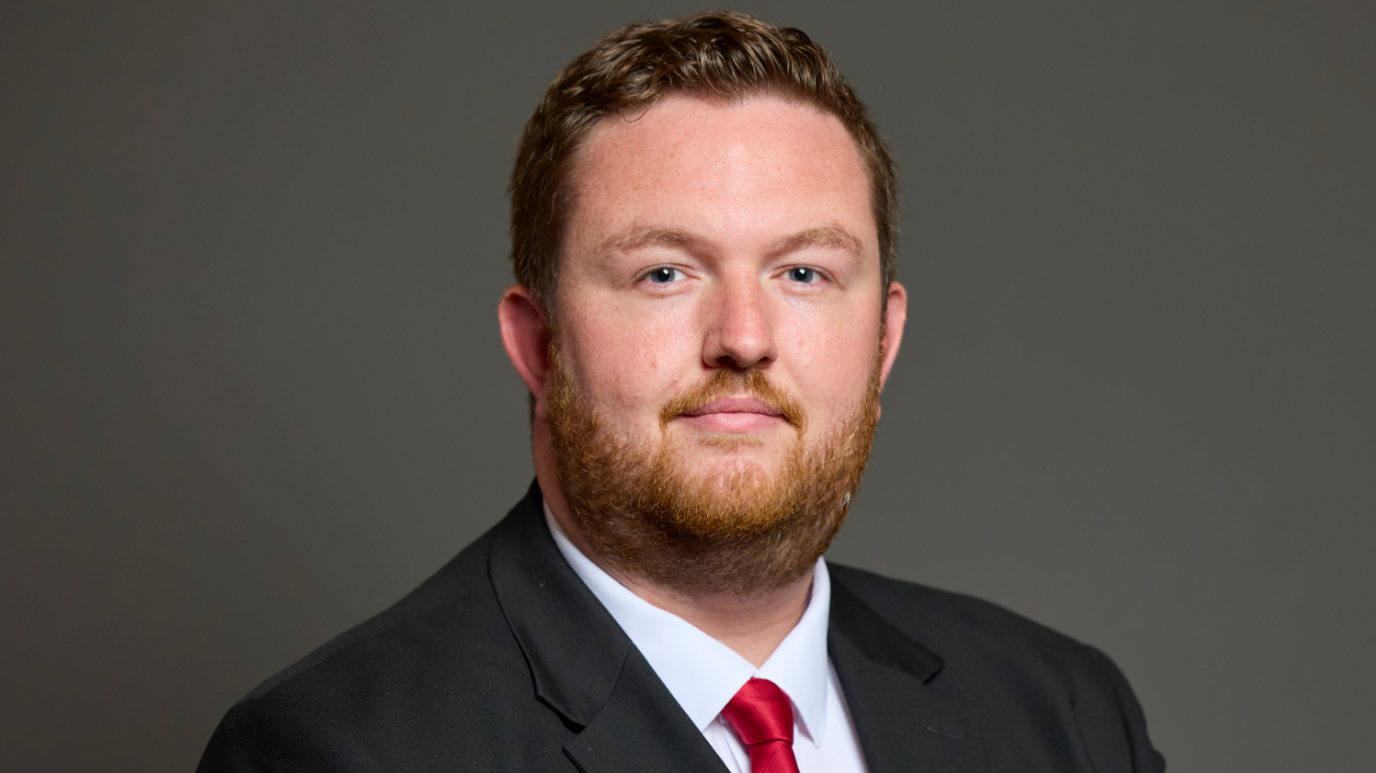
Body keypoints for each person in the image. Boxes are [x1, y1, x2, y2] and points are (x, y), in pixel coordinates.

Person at [198, 12, 1164, 772]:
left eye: (804, 274)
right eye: (665, 272)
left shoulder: (1068, 715)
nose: (743, 338)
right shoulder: (339, 750)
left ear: (883, 339)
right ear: (538, 344)